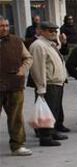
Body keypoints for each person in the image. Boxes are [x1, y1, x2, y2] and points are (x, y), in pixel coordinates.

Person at [30, 21, 70, 146]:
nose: (53, 33)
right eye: (50, 30)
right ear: (41, 31)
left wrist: (63, 43)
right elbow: (37, 67)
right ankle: (45, 136)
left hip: (57, 82)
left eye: (55, 31)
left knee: (55, 110)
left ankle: (52, 131)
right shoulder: (38, 45)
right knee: (47, 111)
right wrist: (41, 86)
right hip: (48, 83)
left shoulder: (50, 44)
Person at [0, 16, 33, 156]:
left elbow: (28, 58)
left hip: (15, 85)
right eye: (1, 26)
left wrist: (22, 70)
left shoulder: (16, 41)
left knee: (16, 117)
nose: (5, 28)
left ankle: (18, 145)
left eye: (6, 25)